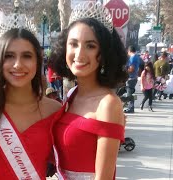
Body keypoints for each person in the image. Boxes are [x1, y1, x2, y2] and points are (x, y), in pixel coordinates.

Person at [0, 14, 62, 179]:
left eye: (27, 56)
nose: (18, 64)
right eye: (9, 56)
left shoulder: (54, 111)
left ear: (38, 61)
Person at [50, 2, 127, 179]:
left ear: (105, 52)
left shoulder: (108, 104)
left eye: (90, 46)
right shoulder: (72, 95)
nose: (79, 54)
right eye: (73, 44)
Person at [124, 45, 140, 113]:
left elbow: (131, 68)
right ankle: (131, 106)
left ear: (129, 51)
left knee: (129, 93)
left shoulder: (132, 58)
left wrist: (125, 72)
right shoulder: (137, 57)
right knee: (131, 92)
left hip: (131, 77)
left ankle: (131, 107)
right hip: (134, 77)